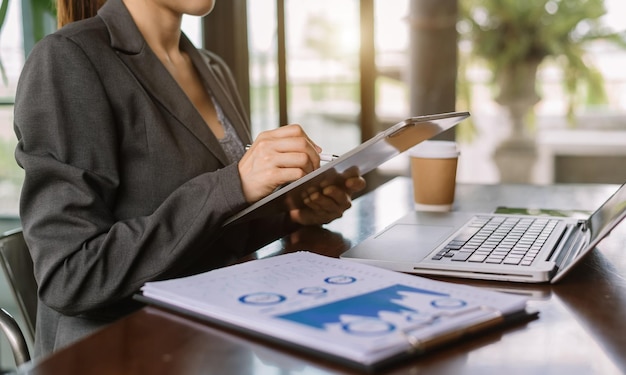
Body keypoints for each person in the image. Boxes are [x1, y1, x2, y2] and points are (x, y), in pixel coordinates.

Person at [13, 0, 366, 358]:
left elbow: (206, 231)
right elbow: (70, 276)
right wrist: (234, 183)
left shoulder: (211, 67)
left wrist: (289, 214)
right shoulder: (68, 58)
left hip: (210, 338)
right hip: (121, 353)